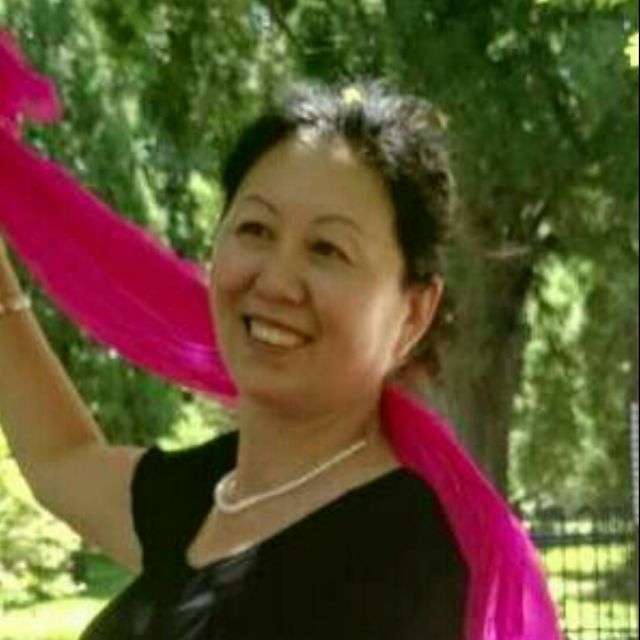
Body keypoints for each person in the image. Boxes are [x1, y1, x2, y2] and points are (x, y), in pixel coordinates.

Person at [0, 31, 562, 640]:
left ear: (413, 313)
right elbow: (62, 461)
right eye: (256, 230)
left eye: (327, 249)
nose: (276, 281)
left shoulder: (399, 564)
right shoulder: (218, 492)